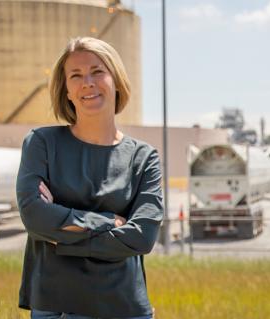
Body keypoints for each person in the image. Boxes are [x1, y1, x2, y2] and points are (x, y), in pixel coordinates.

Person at [16, 37, 163, 319]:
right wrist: (110, 222)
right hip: (56, 305)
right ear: (67, 90)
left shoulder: (143, 157)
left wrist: (62, 236)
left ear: (116, 81)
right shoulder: (42, 143)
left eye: (97, 71)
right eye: (76, 75)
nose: (87, 82)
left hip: (125, 307)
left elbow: (142, 237)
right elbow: (34, 216)